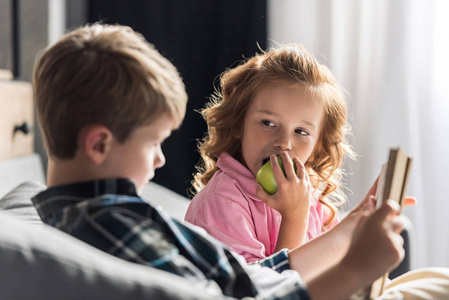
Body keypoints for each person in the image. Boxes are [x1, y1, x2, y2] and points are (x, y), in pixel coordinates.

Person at [31, 23, 449, 300]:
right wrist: (355, 268)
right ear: (99, 144)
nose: (160, 161)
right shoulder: (113, 224)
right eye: (153, 143)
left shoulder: (110, 212)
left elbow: (251, 278)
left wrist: (352, 226)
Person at [185, 44, 355, 262]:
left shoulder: (308, 196)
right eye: (268, 123)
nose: (284, 142)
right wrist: (294, 219)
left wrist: (361, 220)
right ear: (238, 124)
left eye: (301, 131)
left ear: (318, 145)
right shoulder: (222, 203)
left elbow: (336, 265)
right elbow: (267, 291)